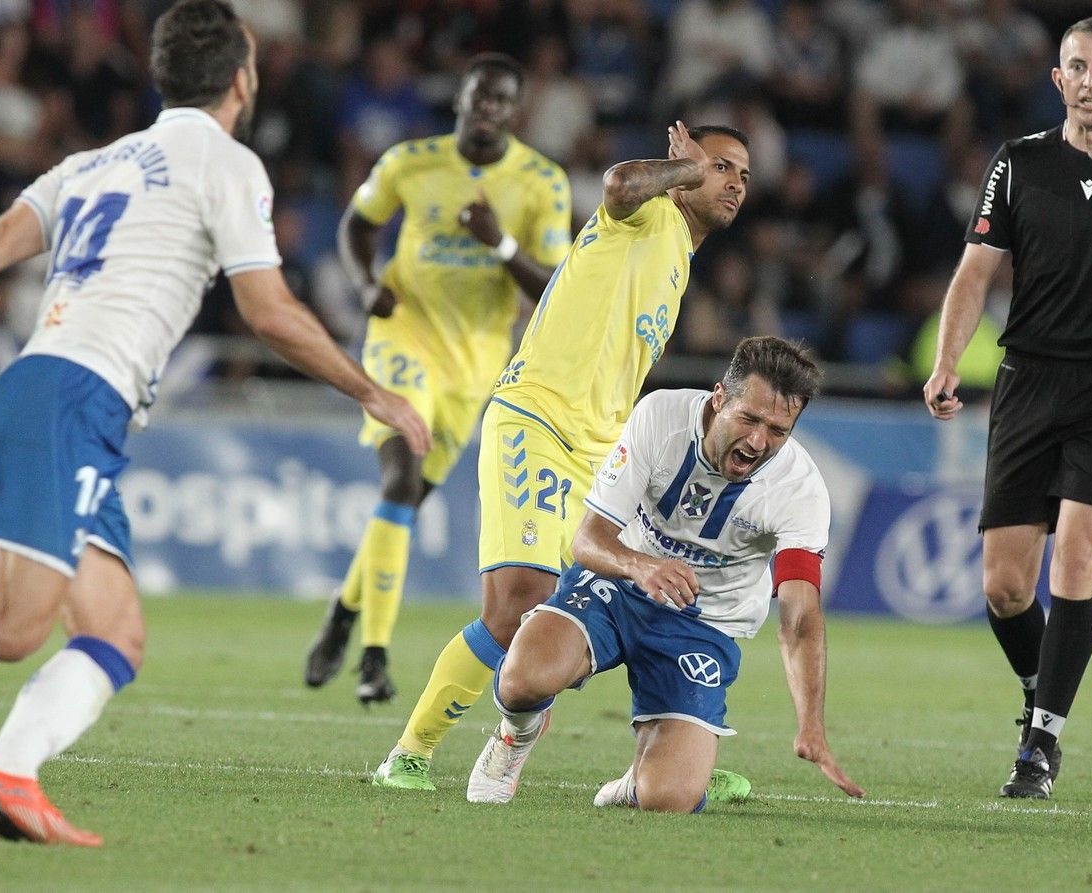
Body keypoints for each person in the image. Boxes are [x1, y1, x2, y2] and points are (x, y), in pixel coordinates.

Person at [0, 0, 430, 846]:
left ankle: (7, 771)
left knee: (114, 631)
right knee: (12, 628)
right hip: (73, 398)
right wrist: (375, 393)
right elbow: (271, 311)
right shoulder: (228, 162)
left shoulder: (88, 162)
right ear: (243, 76)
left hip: (50, 394)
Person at [372, 120, 752, 793]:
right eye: (721, 166)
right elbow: (618, 183)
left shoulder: (679, 259)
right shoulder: (647, 216)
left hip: (602, 450)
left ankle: (685, 743)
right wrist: (684, 171)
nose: (733, 183)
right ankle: (409, 752)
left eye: (743, 175)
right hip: (538, 420)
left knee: (659, 594)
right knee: (519, 600)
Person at [922, 15, 1092, 800]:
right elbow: (975, 273)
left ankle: (1040, 743)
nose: (1089, 80)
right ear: (1058, 79)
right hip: (1028, 381)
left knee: (1078, 558)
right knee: (1006, 587)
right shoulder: (1018, 165)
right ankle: (1039, 690)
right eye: (1076, 66)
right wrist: (947, 361)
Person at [465, 336, 864, 809]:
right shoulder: (661, 418)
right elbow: (588, 540)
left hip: (703, 625)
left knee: (668, 799)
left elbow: (799, 617)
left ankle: (643, 780)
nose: (759, 442)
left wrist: (811, 725)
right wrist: (641, 567)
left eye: (778, 430)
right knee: (523, 677)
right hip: (617, 583)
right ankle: (515, 736)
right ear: (720, 398)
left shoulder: (800, 491)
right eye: (750, 419)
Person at [302, 53, 572, 705]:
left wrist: (500, 244)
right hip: (403, 339)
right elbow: (356, 228)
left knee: (405, 502)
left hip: (475, 362)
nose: (488, 110)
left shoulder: (542, 182)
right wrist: (367, 284)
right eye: (480, 97)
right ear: (461, 97)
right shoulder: (410, 162)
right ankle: (375, 657)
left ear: (516, 110)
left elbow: (557, 287)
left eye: (502, 102)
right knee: (399, 478)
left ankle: (343, 611)